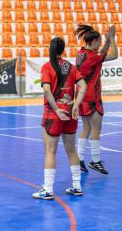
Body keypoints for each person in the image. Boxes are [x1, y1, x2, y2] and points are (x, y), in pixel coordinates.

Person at [32, 37, 87, 200]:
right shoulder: (70, 66)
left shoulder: (47, 67)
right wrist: (76, 105)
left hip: (53, 114)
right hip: (70, 112)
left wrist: (56, 109)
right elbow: (83, 86)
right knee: (72, 150)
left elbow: (47, 91)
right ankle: (77, 186)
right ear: (63, 50)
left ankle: (48, 189)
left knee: (50, 151)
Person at [75, 25, 118, 174]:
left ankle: (79, 159)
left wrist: (105, 41)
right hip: (92, 96)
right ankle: (95, 160)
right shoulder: (93, 57)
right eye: (98, 42)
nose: (100, 45)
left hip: (81, 95)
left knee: (86, 128)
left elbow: (101, 54)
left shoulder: (82, 53)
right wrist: (112, 39)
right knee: (96, 129)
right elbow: (114, 55)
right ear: (92, 42)